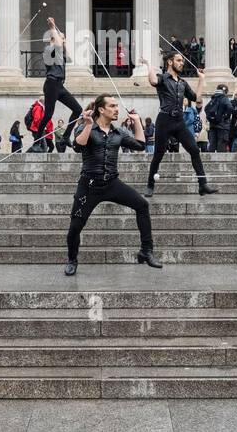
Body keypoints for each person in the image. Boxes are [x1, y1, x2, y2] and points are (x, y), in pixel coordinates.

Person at [65, 95, 155, 275]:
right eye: (112, 106)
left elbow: (140, 145)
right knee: (75, 225)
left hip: (112, 183)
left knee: (142, 205)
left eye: (116, 106)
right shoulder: (85, 126)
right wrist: (89, 124)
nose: (116, 109)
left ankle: (146, 251)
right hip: (89, 185)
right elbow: (77, 145)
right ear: (101, 109)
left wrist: (137, 121)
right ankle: (72, 259)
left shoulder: (118, 133)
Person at [142, 53, 217, 197]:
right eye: (179, 60)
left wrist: (201, 80)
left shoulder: (182, 83)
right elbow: (152, 80)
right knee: (158, 154)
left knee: (194, 150)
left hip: (179, 121)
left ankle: (203, 185)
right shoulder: (163, 78)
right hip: (164, 120)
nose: (182, 63)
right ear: (170, 62)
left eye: (182, 60)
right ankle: (150, 186)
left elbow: (196, 98)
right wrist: (148, 65)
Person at [39, 16, 83, 149]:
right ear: (53, 39)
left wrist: (64, 41)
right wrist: (53, 28)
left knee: (77, 109)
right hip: (51, 84)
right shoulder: (49, 50)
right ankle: (38, 139)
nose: (63, 41)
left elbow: (69, 58)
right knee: (48, 114)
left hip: (60, 86)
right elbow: (57, 45)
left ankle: (65, 137)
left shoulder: (60, 53)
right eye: (61, 39)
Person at [204, 84, 233, 153]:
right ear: (225, 91)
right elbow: (230, 107)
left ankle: (210, 163)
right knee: (221, 146)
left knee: (212, 145)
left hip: (213, 125)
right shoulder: (224, 98)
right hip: (222, 126)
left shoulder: (213, 98)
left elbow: (206, 108)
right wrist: (225, 117)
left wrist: (210, 118)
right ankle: (220, 163)